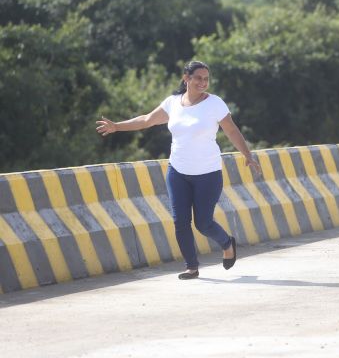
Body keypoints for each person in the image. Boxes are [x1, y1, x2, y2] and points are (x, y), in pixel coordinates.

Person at [96, 61, 261, 280]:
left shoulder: (214, 104)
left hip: (208, 173)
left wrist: (248, 156)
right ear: (186, 78)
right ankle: (191, 267)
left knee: (203, 222)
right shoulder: (172, 103)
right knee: (180, 221)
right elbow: (146, 120)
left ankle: (226, 242)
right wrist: (117, 126)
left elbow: (231, 131)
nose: (203, 82)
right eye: (198, 78)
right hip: (178, 171)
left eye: (206, 78)